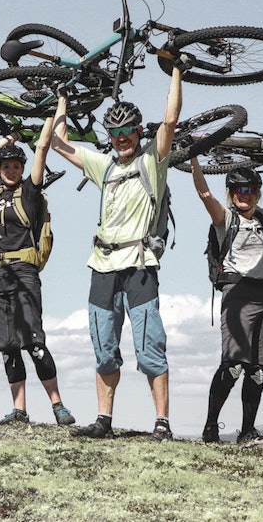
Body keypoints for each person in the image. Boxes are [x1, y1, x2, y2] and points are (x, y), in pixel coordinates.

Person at [49, 60, 187, 442]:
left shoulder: (152, 161)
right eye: (115, 133)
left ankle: (162, 423)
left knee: (149, 348)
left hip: (140, 265)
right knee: (104, 348)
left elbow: (170, 120)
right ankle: (103, 420)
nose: (122, 138)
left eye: (127, 131)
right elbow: (59, 143)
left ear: (139, 131)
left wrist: (177, 72)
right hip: (102, 266)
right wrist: (62, 101)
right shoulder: (104, 166)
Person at [191, 160, 263, 444]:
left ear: (257, 193)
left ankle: (247, 430)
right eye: (237, 189)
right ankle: (211, 426)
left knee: (257, 370)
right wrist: (194, 159)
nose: (243, 194)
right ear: (231, 193)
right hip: (237, 292)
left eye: (249, 189)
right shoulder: (225, 218)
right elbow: (204, 194)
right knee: (232, 365)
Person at [0, 125, 75, 427]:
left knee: (33, 342)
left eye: (16, 166)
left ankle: (58, 405)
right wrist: (13, 136)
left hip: (23, 272)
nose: (11, 170)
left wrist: (49, 119)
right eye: (6, 166)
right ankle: (19, 410)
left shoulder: (30, 192)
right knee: (7, 345)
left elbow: (43, 148)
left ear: (23, 168)